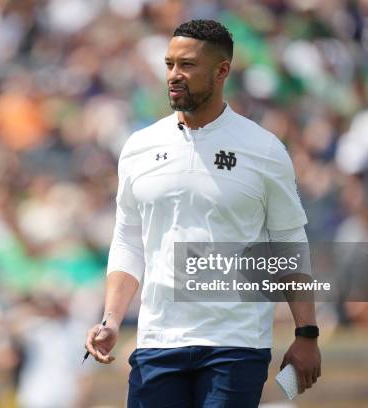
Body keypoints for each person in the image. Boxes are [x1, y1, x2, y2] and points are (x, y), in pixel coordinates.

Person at [84, 19, 321, 407]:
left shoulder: (263, 149)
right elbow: (128, 240)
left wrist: (306, 333)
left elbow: (289, 243)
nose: (174, 76)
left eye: (187, 65)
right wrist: (111, 318)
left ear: (222, 70)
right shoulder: (139, 147)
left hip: (236, 344)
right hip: (158, 340)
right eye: (169, 64)